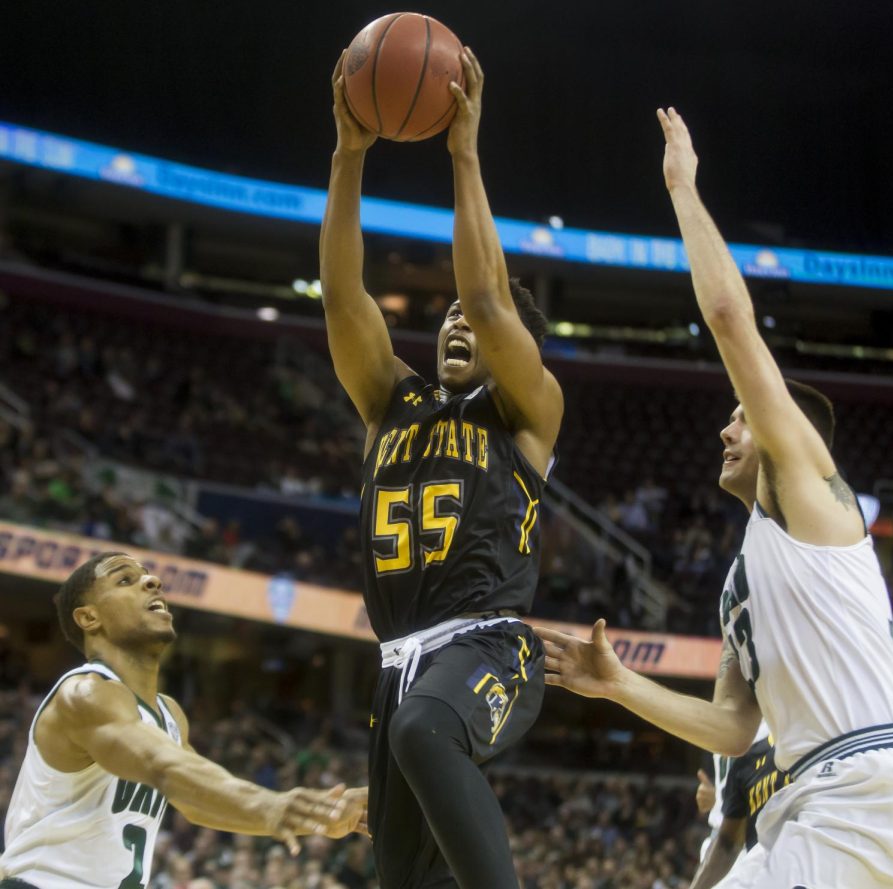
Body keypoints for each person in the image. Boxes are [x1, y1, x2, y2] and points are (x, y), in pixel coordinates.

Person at [537, 108, 893, 888]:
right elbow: (734, 729)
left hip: (869, 794)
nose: (726, 428)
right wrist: (618, 684)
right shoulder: (743, 577)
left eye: (742, 415)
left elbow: (732, 320)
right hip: (818, 808)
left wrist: (681, 188)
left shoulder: (814, 498)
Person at [320, 47, 563, 889]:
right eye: (448, 315)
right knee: (402, 878)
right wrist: (349, 157)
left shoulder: (528, 408)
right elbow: (344, 296)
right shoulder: (390, 401)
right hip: (399, 664)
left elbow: (493, 300)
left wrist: (464, 152)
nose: (460, 322)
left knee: (425, 728)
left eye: (475, 318)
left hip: (489, 643)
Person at [0, 552, 364, 889]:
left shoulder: (169, 714)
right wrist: (271, 806)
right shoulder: (85, 694)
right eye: (125, 580)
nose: (153, 581)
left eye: (148, 576)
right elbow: (164, 767)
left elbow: (195, 801)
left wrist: (316, 814)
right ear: (89, 617)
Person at [690, 725, 787, 889]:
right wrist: (712, 794)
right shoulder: (720, 721)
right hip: (722, 837)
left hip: (756, 840)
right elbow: (718, 780)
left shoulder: (773, 721)